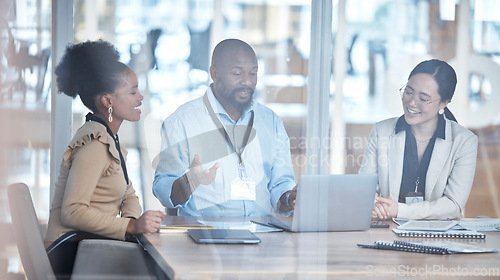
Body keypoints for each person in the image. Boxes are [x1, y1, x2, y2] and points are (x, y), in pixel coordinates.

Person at [44, 40, 166, 278]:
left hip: (87, 246)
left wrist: (133, 221)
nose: (140, 97)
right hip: (70, 253)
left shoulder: (109, 137)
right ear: (108, 101)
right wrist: (131, 226)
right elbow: (72, 211)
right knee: (159, 267)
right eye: (132, 92)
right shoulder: (94, 143)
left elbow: (128, 194)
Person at [153, 39, 297, 216]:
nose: (247, 82)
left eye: (253, 74)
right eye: (237, 74)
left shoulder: (271, 121)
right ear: (214, 73)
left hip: (262, 236)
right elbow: (163, 187)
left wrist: (290, 198)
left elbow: (280, 184)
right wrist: (191, 180)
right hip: (205, 236)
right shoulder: (181, 121)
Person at [359, 59, 478, 220]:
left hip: (438, 233)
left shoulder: (464, 141)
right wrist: (375, 206)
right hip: (387, 228)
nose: (412, 102)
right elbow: (364, 189)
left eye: (423, 98)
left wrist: (398, 211)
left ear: (444, 103)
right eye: (408, 92)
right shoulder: (381, 131)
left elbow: (453, 205)